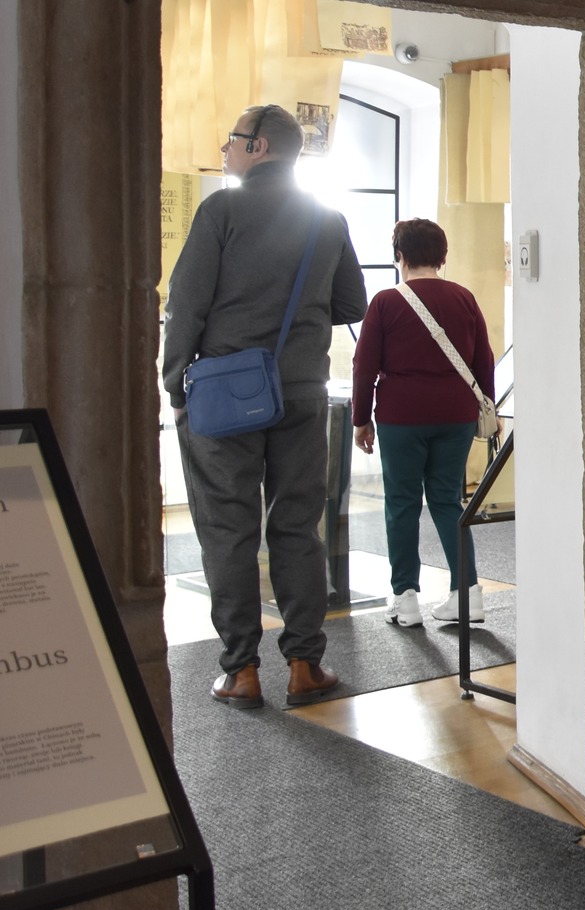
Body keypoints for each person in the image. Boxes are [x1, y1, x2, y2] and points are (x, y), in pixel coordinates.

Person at [165, 103, 368, 709]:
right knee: (298, 525)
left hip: (225, 394)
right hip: (301, 391)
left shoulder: (220, 211)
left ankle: (242, 672)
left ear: (258, 146)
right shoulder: (327, 218)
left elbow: (186, 305)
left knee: (228, 529)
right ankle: (305, 665)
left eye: (232, 140)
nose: (225, 150)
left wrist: (175, 383)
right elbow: (352, 304)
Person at [350, 218, 495, 628]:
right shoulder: (464, 298)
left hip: (402, 416)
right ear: (443, 257)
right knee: (448, 501)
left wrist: (361, 419)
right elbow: (483, 361)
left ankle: (405, 598)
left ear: (400, 256)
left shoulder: (386, 302)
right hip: (457, 414)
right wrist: (486, 408)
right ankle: (467, 594)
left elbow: (364, 366)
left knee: (402, 503)